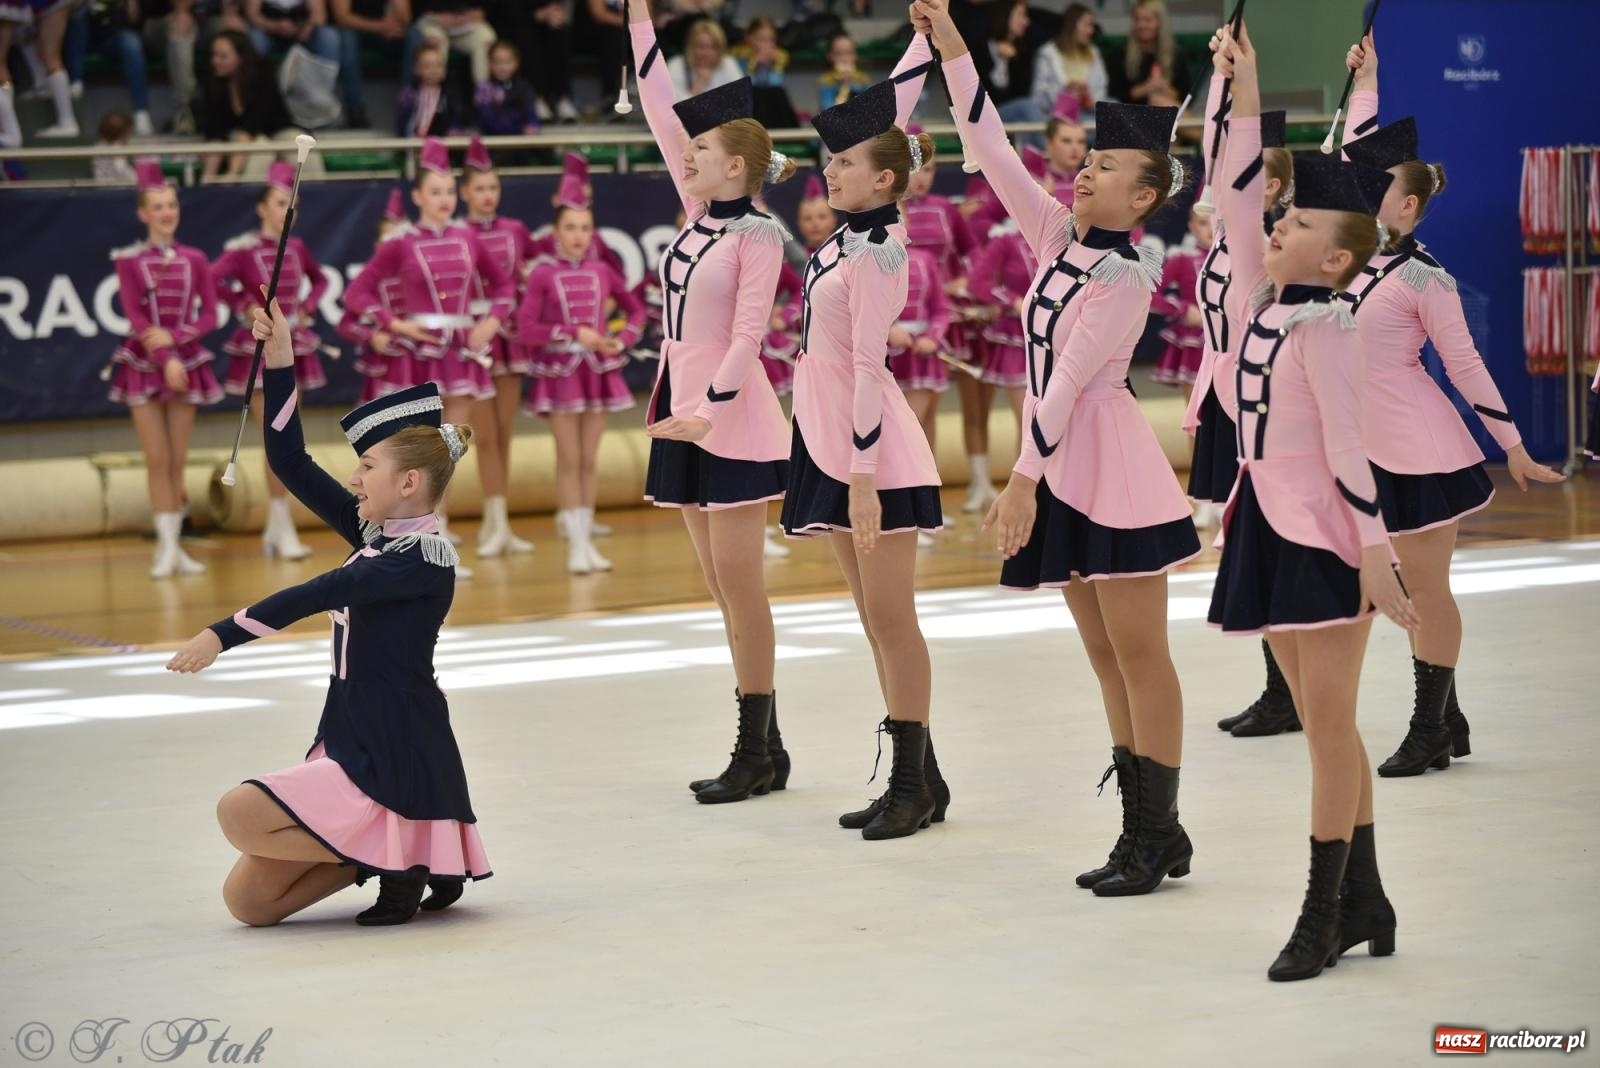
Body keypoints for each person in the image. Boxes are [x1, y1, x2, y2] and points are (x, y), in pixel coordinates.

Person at [924, 0, 1201, 893]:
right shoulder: (1052, 238)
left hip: (1108, 468)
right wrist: (957, 49)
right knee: (1102, 655)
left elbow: (1072, 379)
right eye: (1088, 159)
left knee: (1140, 655)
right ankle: (1148, 829)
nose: (1085, 172)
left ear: (1145, 197)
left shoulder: (1125, 274)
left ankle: (1154, 834)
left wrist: (1019, 482)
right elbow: (994, 149)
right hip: (1062, 466)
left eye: (1109, 167)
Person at [1205, 23, 1416, 982]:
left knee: (1328, 727)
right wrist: (1242, 91)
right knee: (1319, 719)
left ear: (1337, 263)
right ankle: (1367, 900)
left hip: (1328, 539)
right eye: (1279, 224)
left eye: (1296, 230)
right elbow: (1236, 188)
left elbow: (1348, 451)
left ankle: (1324, 911)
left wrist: (1375, 554)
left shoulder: (1328, 326)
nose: (1276, 227)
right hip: (1263, 523)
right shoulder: (1258, 300)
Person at [170, 316, 491, 927]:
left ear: (409, 481)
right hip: (350, 722)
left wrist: (219, 634)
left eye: (366, 466)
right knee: (250, 905)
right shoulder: (376, 530)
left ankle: (401, 864)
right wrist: (282, 357)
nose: (353, 477)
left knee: (239, 814)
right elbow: (289, 460)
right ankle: (387, 858)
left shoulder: (418, 560)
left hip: (393, 737)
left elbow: (319, 590)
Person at [1338, 35, 1565, 777]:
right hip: (1361, 448)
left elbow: (1464, 365)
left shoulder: (1425, 279)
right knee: (1395, 588)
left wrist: (1514, 446)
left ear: (1407, 208)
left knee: (1423, 592)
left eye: (1372, 188)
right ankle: (1449, 716)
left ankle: (1429, 726)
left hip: (1421, 451)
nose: (1352, 190)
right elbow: (1353, 147)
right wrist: (1366, 79)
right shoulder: (1346, 258)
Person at [784, 38, 952, 841]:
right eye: (829, 160)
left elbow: (862, 367)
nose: (830, 172)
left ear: (885, 178)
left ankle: (912, 783)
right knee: (870, 617)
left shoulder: (880, 251)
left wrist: (859, 475)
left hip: (871, 455)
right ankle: (925, 775)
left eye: (845, 163)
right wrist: (922, 36)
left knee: (891, 619)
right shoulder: (844, 240)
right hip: (828, 445)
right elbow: (894, 103)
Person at [631, 0, 797, 805]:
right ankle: (765, 744)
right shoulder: (698, 216)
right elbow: (662, 111)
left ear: (737, 165)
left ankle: (756, 749)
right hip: (682, 404)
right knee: (716, 585)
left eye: (700, 151)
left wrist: (711, 407)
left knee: (742, 586)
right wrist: (637, 21)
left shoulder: (757, 235)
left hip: (728, 414)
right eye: (687, 150)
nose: (685, 157)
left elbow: (750, 335)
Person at [1187, 42, 1300, 738]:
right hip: (1226, 403)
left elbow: (1239, 145)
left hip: (1264, 409)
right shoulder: (1227, 242)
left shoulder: (1259, 243)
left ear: (1275, 192)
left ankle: (1289, 688)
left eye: (1249, 176)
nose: (1230, 179)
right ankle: (1277, 687)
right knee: (1245, 542)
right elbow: (1219, 144)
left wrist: (1247, 82)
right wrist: (1222, 81)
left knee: (1267, 542)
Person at [342, 136, 515, 554]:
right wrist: (395, 323)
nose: (444, 199)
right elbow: (356, 294)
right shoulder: (400, 243)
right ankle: (403, 534)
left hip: (459, 352)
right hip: (417, 357)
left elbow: (505, 284)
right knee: (411, 450)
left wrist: (490, 322)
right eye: (434, 192)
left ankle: (438, 534)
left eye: (450, 192)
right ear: (417, 196)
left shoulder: (468, 238)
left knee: (448, 451)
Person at [517, 199, 646, 573]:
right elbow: (527, 329)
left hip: (597, 371)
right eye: (570, 228)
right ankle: (575, 542)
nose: (578, 236)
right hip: (561, 373)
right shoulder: (542, 274)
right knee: (569, 459)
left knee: (590, 461)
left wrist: (624, 338)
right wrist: (574, 332)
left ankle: (588, 538)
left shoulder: (602, 270)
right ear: (556, 232)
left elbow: (634, 309)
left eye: (585, 228)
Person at [108, 159, 224, 578]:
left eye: (171, 205)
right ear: (143, 213)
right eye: (157, 207)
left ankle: (178, 548)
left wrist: (179, 340)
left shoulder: (195, 258)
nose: (166, 213)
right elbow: (138, 320)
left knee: (177, 458)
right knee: (156, 457)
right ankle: (165, 547)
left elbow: (211, 313)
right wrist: (165, 357)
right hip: (145, 363)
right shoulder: (128, 261)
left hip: (186, 356)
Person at [213, 159, 331, 561]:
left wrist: (308, 308)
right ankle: (280, 522)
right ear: (262, 208)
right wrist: (245, 307)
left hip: (294, 341)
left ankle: (278, 525)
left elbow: (322, 280)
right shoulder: (244, 250)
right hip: (261, 345)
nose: (287, 211)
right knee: (274, 436)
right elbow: (214, 279)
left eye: (292, 203)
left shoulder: (297, 248)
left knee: (290, 431)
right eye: (280, 203)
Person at [459, 135, 538, 558]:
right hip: (472, 338)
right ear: (464, 193)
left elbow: (528, 275)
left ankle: (500, 519)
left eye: (493, 188)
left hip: (508, 339)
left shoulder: (515, 230)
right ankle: (492, 519)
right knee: (484, 436)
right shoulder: (457, 233)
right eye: (480, 189)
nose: (488, 196)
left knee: (505, 433)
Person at [343, 188, 419, 404]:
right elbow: (346, 324)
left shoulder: (422, 274)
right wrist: (371, 336)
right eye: (389, 239)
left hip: (423, 358)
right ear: (377, 245)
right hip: (386, 365)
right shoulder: (370, 280)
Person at [197, 31, 293, 179]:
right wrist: (208, 179)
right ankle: (243, 195)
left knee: (299, 144)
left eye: (223, 56)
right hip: (239, 136)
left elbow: (256, 121)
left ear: (240, 57)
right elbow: (215, 132)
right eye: (213, 55)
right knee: (261, 149)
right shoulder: (211, 82)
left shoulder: (263, 73)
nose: (215, 61)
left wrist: (232, 173)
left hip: (274, 129)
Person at [330, 0, 414, 127]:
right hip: (357, 30)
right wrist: (379, 26)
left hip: (386, 32)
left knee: (415, 35)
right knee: (347, 39)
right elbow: (342, 18)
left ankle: (411, 105)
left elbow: (406, 17)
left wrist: (392, 25)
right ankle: (355, 112)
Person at [1150, 207, 1207, 388]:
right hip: (1195, 339)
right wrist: (1182, 308)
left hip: (1231, 337)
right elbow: (1148, 295)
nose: (1212, 228)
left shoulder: (1235, 259)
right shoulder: (1183, 259)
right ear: (1191, 226)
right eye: (1203, 222)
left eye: (1217, 221)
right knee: (1196, 405)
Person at [1107, 0, 1189, 108]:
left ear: (1160, 22)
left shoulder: (1176, 54)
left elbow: (1186, 96)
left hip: (1169, 114)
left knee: (1159, 100)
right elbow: (1115, 94)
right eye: (1137, 20)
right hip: (1130, 116)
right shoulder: (1120, 53)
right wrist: (1147, 88)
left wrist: (1162, 87)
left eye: (1148, 20)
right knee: (1156, 100)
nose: (1141, 25)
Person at [1032, 2, 1106, 119]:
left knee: (1113, 104)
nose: (1091, 31)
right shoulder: (1048, 53)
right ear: (1071, 25)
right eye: (1087, 25)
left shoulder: (1093, 53)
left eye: (1091, 26)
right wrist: (1065, 91)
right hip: (1055, 116)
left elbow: (1101, 89)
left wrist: (1090, 100)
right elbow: (1038, 97)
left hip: (1088, 113)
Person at [411, 0, 495, 85]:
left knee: (485, 39)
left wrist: (475, 13)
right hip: (433, 21)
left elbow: (486, 7)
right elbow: (416, 7)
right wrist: (435, 16)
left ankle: (483, 89)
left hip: (466, 23)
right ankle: (436, 87)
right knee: (437, 41)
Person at [244, 0, 340, 69]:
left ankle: (322, 87)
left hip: (302, 33)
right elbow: (252, 15)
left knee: (329, 36)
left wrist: (306, 28)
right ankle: (258, 84)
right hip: (269, 33)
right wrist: (274, 26)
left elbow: (319, 15)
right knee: (255, 37)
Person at [473, 38, 538, 135]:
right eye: (497, 62)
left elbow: (530, 113)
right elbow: (487, 121)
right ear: (489, 64)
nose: (502, 67)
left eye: (507, 62)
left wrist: (532, 126)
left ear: (516, 63)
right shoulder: (484, 89)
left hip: (522, 140)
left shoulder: (524, 87)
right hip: (494, 140)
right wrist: (519, 130)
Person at [666, 17, 741, 101]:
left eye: (713, 47)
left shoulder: (728, 63)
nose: (707, 53)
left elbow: (739, 99)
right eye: (701, 47)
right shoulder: (676, 65)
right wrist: (698, 85)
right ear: (691, 47)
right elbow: (672, 106)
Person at [396, 41, 459, 137]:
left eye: (438, 65)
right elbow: (402, 122)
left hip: (441, 145)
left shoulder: (449, 93)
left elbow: (455, 119)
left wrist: (453, 130)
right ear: (416, 68)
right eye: (427, 66)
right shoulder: (410, 94)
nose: (433, 70)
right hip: (413, 143)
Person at [817, 32, 870, 112]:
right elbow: (827, 109)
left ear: (856, 56)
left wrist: (851, 84)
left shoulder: (863, 80)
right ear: (830, 56)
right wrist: (843, 86)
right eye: (838, 54)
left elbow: (868, 106)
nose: (844, 59)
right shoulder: (825, 81)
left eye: (849, 53)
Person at [93, 109, 138, 181]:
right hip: (117, 189)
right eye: (129, 134)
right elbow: (121, 171)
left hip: (102, 187)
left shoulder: (98, 147)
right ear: (123, 134)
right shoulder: (117, 149)